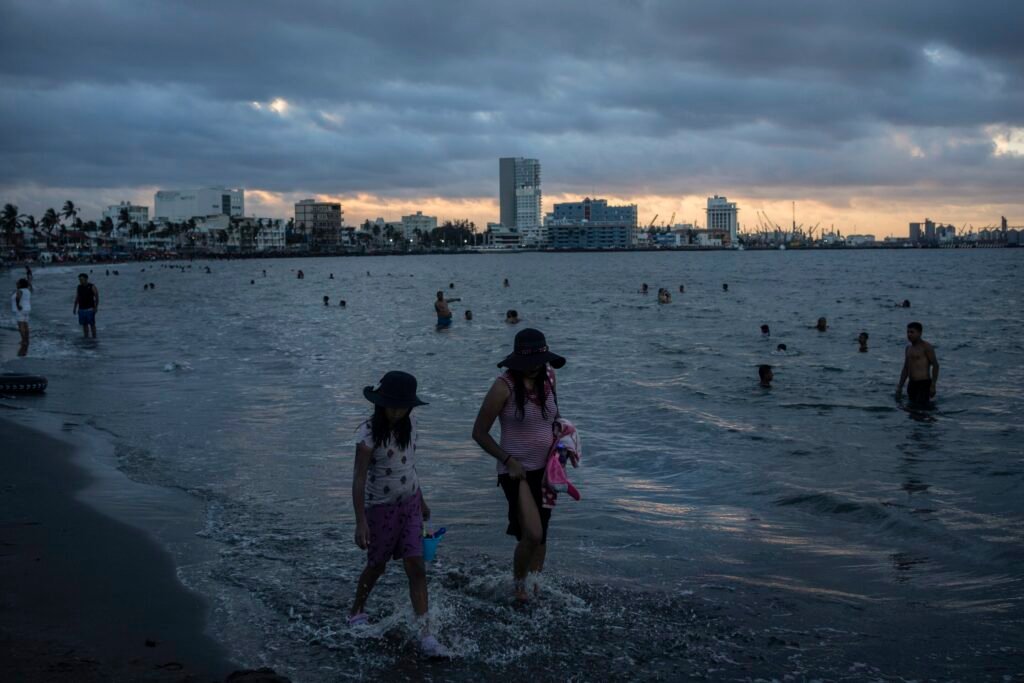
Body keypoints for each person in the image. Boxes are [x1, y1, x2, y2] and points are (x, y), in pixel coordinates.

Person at [348, 371, 449, 658]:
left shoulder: (411, 424)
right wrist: (360, 522)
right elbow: (358, 478)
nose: (397, 412)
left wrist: (422, 500)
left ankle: (426, 635)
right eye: (392, 406)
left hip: (410, 503)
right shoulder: (367, 433)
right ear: (380, 404)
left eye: (403, 406)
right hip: (380, 508)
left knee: (416, 566)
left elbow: (409, 466)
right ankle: (356, 612)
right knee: (377, 564)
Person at [472, 328, 566, 603]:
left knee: (542, 534)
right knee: (532, 533)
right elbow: (479, 433)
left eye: (541, 361)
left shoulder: (549, 376)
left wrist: (565, 443)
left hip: (547, 467)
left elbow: (553, 418)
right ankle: (518, 584)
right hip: (516, 471)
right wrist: (508, 460)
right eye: (532, 363)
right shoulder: (504, 386)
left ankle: (535, 584)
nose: (537, 367)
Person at [896, 322, 939, 407]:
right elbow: (905, 368)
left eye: (912, 332)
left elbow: (936, 365)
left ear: (919, 333)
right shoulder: (908, 348)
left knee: (921, 409)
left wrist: (933, 385)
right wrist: (900, 386)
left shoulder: (926, 347)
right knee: (911, 410)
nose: (909, 334)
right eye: (908, 332)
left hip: (924, 383)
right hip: (912, 384)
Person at [73, 273, 99, 339]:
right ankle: (86, 338)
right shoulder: (79, 287)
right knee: (84, 325)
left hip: (90, 309)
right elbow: (77, 298)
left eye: (82, 279)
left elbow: (97, 297)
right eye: (79, 280)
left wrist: (96, 307)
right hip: (81, 309)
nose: (80, 281)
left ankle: (94, 338)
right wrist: (74, 308)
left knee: (92, 324)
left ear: (86, 279)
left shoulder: (92, 286)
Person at [11, 278, 31, 357]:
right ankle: (27, 340)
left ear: (20, 284)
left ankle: (23, 340)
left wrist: (18, 305)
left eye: (18, 283)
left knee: (21, 325)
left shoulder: (20, 291)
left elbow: (17, 297)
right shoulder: (27, 290)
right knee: (25, 325)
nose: (16, 283)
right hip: (27, 309)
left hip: (20, 309)